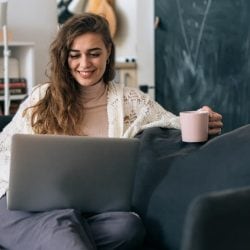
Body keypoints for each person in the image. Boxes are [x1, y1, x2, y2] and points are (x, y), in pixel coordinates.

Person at [0, 13, 223, 250]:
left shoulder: (130, 101)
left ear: (108, 52)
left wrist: (203, 117)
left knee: (127, 226)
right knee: (61, 224)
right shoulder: (41, 97)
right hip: (23, 211)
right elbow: (4, 149)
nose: (84, 64)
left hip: (85, 213)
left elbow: (172, 122)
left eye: (94, 54)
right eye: (75, 55)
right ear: (64, 58)